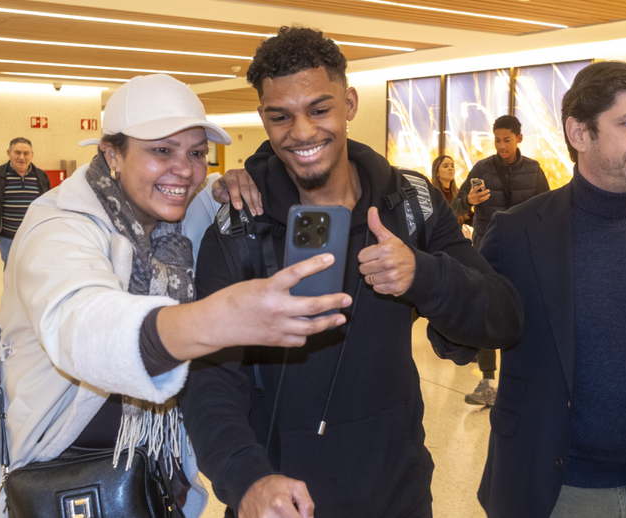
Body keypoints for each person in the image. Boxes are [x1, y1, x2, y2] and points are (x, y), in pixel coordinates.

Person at [0, 74, 353, 518]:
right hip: (51, 468)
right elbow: (81, 325)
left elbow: (257, 180)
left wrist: (231, 180)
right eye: (161, 150)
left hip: (151, 474)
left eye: (196, 153)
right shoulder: (58, 225)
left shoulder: (183, 216)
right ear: (111, 153)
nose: (185, 169)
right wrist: (219, 320)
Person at [180, 27, 523, 518]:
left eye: (319, 109)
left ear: (350, 104)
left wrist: (423, 276)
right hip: (281, 502)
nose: (301, 132)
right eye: (281, 116)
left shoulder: (411, 203)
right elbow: (209, 375)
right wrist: (247, 478)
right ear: (264, 119)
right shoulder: (240, 227)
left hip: (397, 495)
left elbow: (502, 317)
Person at [474, 61, 626, 518]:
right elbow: (463, 332)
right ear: (579, 133)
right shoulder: (518, 233)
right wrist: (431, 277)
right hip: (553, 489)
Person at [452, 115, 550, 407]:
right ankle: (488, 380)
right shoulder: (481, 168)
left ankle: (524, 376)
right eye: (497, 140)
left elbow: (547, 211)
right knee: (488, 310)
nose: (501, 145)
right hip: (486, 249)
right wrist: (469, 200)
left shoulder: (533, 170)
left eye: (507, 139)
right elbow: (455, 205)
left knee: (525, 310)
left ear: (519, 138)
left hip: (524, 250)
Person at [0, 137, 50, 264]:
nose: (22, 157)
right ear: (9, 153)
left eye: (26, 153)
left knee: (34, 271)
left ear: (32, 155)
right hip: (8, 238)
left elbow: (48, 207)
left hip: (34, 237)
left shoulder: (41, 177)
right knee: (11, 273)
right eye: (17, 152)